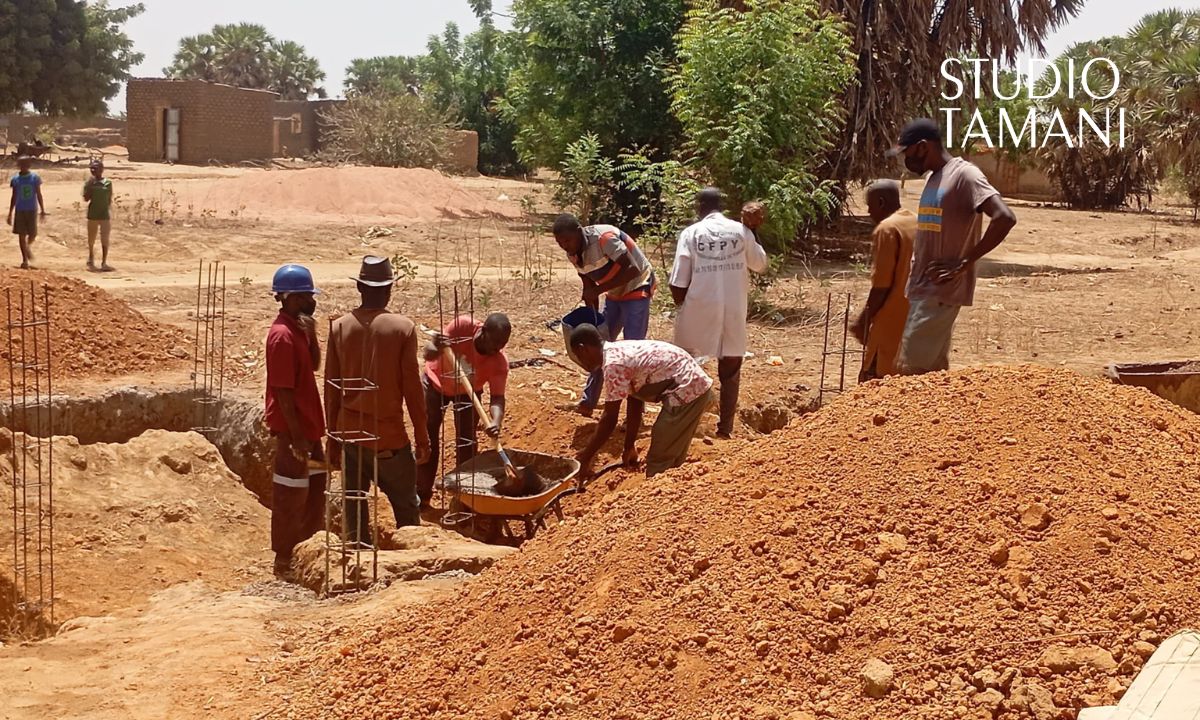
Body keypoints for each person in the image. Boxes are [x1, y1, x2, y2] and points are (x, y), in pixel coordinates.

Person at [886, 118, 1017, 374]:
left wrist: (964, 263)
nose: (905, 161)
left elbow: (1005, 217)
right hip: (922, 287)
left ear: (923, 147)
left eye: (907, 153)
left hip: (939, 290)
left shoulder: (965, 175)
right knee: (932, 376)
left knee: (909, 369)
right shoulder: (934, 178)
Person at [325, 257, 431, 540]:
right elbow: (413, 390)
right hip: (389, 439)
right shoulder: (403, 328)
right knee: (407, 508)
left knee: (354, 506)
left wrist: (332, 439)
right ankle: (412, 561)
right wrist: (422, 437)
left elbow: (331, 389)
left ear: (360, 287)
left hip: (350, 436)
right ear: (389, 290)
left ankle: (356, 565)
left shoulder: (338, 328)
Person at [669, 188, 768, 438]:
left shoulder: (691, 233)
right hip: (734, 309)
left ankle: (681, 426)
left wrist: (683, 306)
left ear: (699, 207)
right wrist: (753, 231)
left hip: (699, 307)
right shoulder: (741, 231)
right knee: (731, 369)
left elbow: (678, 283)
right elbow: (760, 264)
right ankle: (725, 430)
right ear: (722, 206)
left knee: (684, 364)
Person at [569, 325, 714, 480]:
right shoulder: (618, 350)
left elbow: (609, 419)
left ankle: (657, 495)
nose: (580, 362)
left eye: (578, 356)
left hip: (688, 389)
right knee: (673, 449)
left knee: (661, 452)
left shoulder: (613, 365)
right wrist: (629, 446)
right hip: (694, 385)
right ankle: (674, 489)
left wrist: (584, 459)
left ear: (583, 349)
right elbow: (635, 400)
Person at [552, 213, 655, 416]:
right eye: (560, 242)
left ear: (579, 231)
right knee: (599, 345)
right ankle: (588, 403)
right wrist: (593, 316)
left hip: (637, 285)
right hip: (615, 291)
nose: (564, 245)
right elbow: (588, 282)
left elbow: (632, 269)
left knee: (633, 350)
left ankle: (635, 413)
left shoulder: (604, 238)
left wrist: (598, 291)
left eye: (567, 240)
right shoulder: (573, 253)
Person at [264, 264, 326, 578]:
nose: (311, 302)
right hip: (294, 435)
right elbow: (283, 393)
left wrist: (312, 334)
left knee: (315, 492)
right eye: (305, 297)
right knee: (290, 496)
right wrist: (297, 437)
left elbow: (314, 365)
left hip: (309, 431)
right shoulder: (282, 338)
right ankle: (284, 559)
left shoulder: (297, 331)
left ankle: (306, 551)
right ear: (289, 298)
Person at [416, 312, 512, 508]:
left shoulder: (499, 362)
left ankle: (463, 500)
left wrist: (495, 422)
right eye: (494, 343)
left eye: (501, 346)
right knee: (428, 439)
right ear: (482, 331)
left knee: (466, 443)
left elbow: (497, 398)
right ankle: (421, 495)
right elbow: (429, 353)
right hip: (435, 383)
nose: (496, 349)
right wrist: (436, 345)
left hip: (469, 393)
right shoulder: (463, 326)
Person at [850, 180, 917, 380]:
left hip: (890, 320)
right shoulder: (916, 221)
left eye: (870, 206)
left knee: (873, 381)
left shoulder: (887, 229)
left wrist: (863, 321)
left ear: (881, 202)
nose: (869, 213)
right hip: (916, 317)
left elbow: (882, 285)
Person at [7, 155, 46, 269]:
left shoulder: (35, 178)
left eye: (25, 165)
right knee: (21, 235)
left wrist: (42, 210)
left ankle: (27, 246)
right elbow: (13, 196)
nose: (23, 167)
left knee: (33, 234)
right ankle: (24, 259)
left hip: (32, 209)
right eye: (21, 165)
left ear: (29, 165)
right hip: (20, 210)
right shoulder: (15, 180)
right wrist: (10, 213)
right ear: (18, 166)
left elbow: (39, 194)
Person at [83, 159, 115, 272]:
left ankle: (104, 262)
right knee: (91, 239)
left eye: (95, 168)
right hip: (92, 215)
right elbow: (86, 198)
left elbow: (109, 198)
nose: (93, 170)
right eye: (91, 168)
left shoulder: (108, 183)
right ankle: (91, 256)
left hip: (104, 215)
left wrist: (108, 209)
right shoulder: (89, 183)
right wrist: (90, 186)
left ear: (101, 170)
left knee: (105, 239)